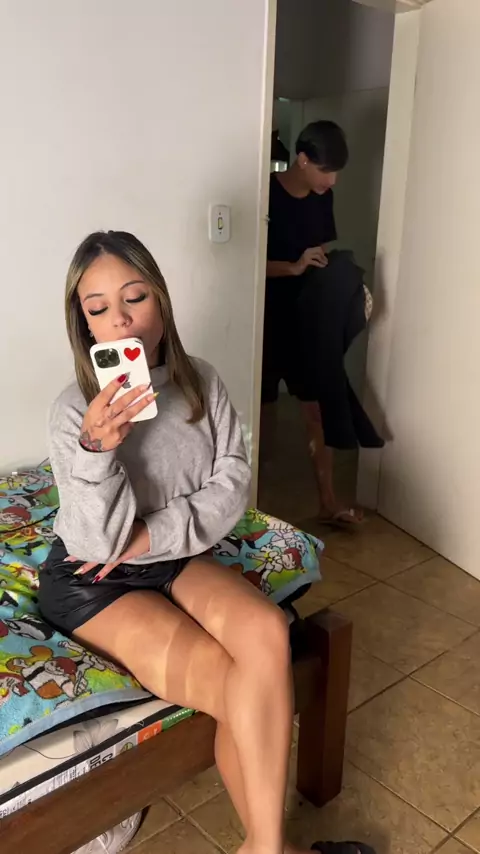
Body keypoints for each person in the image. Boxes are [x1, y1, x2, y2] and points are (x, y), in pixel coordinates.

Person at [38, 230, 375, 854]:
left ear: (160, 301)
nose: (121, 320)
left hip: (167, 553)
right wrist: (96, 451)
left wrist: (152, 535)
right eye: (99, 308)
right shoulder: (73, 412)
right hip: (93, 578)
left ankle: (264, 848)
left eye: (135, 297)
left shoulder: (201, 383)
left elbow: (232, 484)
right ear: (84, 324)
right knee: (230, 682)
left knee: (268, 633)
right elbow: (99, 542)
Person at [262, 121, 384, 529]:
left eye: (336, 173)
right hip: (265, 317)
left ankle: (328, 503)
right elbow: (246, 261)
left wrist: (343, 290)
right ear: (302, 160)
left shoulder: (321, 198)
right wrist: (293, 266)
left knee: (316, 407)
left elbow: (321, 255)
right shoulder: (266, 192)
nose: (332, 181)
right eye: (326, 171)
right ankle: (250, 508)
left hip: (308, 320)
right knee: (261, 416)